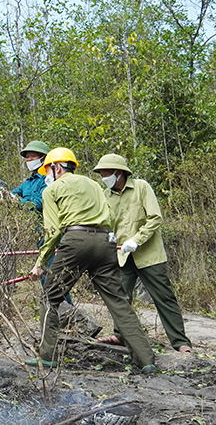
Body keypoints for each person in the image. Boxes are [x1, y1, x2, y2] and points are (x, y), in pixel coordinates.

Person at [27, 147, 156, 373]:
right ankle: (146, 361)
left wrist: (40, 263)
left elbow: (53, 230)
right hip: (105, 243)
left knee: (50, 298)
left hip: (75, 241)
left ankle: (46, 357)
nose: (46, 174)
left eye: (47, 169)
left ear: (57, 167)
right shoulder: (94, 185)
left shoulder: (52, 189)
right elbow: (111, 215)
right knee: (118, 302)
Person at [93, 154, 193, 354]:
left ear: (118, 172)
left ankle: (180, 342)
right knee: (120, 296)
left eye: (106, 172)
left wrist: (136, 240)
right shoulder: (106, 195)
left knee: (163, 297)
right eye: (101, 173)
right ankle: (120, 335)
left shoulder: (141, 187)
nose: (103, 176)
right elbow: (106, 222)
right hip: (122, 255)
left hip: (148, 255)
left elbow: (155, 218)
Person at [13, 140, 101, 337]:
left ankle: (71, 324)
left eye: (32, 156)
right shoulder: (28, 182)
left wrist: (18, 201)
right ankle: (65, 322)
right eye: (26, 157)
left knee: (55, 282)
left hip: (61, 236)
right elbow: (14, 196)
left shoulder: (49, 184)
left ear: (49, 161)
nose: (28, 159)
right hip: (43, 235)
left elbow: (37, 205)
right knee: (51, 281)